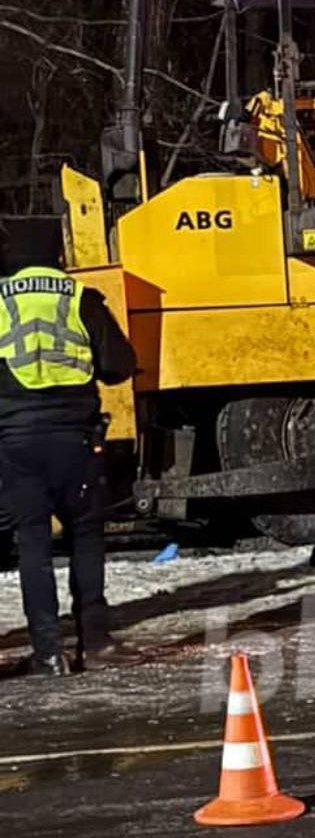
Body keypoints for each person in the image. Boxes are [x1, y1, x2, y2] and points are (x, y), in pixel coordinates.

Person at [0, 221, 136, 677]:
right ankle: (95, 643)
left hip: (16, 441)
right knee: (86, 534)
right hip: (76, 438)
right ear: (57, 254)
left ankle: (48, 653)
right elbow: (119, 366)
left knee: (32, 542)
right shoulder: (81, 299)